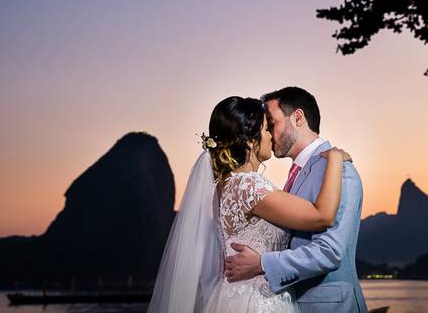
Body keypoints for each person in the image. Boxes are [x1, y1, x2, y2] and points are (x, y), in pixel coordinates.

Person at [147, 95, 351, 313]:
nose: (271, 136)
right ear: (249, 141)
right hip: (257, 301)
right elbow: (323, 216)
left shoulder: (224, 184)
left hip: (233, 296)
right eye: (266, 129)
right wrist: (335, 159)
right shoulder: (249, 186)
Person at [225, 87, 367, 312]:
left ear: (298, 117)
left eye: (272, 123)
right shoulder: (297, 173)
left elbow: (329, 252)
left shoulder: (338, 170)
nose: (269, 133)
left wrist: (262, 263)